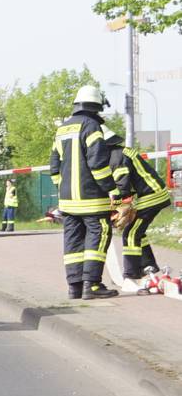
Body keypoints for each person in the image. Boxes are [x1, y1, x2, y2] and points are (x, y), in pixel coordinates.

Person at [51, 84, 127, 300]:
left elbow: (54, 167)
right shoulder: (92, 126)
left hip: (67, 202)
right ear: (96, 106)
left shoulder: (63, 129)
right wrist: (112, 189)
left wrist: (63, 189)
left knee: (73, 242)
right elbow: (98, 165)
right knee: (98, 236)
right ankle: (92, 286)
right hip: (92, 200)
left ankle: (74, 287)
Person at [118, 148, 170, 287]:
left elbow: (122, 184)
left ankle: (131, 275)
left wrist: (116, 206)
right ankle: (148, 267)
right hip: (154, 193)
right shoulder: (123, 152)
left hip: (151, 196)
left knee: (130, 233)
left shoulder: (116, 155)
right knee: (138, 231)